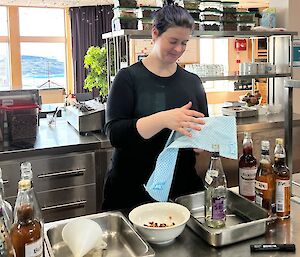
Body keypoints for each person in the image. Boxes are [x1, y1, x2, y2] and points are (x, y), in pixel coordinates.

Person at [102, 4, 208, 211]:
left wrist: (203, 141)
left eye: (184, 43)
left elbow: (201, 126)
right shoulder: (128, 78)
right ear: (155, 34)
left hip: (181, 191)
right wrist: (163, 119)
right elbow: (115, 134)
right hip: (131, 192)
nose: (179, 49)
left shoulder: (192, 82)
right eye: (173, 41)